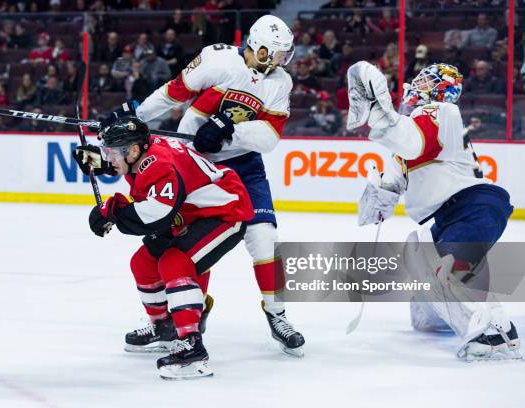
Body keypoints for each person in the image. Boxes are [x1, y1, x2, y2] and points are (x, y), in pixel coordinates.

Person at [104, 15, 306, 357]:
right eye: (275, 53)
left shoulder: (280, 83)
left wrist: (229, 130)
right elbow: (173, 93)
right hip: (198, 163)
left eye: (285, 55)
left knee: (263, 238)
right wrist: (136, 118)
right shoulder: (217, 59)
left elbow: (270, 137)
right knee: (195, 242)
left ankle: (277, 314)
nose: (281, 61)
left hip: (244, 164)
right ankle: (185, 318)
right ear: (256, 47)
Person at [347, 61, 520, 361]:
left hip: (474, 205)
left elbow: (411, 143)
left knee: (446, 268)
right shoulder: (409, 138)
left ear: (441, 90)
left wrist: (377, 108)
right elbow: (382, 199)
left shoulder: (441, 111)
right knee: (417, 252)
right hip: (452, 214)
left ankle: (496, 335)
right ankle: (445, 316)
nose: (415, 87)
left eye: (425, 82)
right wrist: (377, 197)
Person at [72, 116, 253, 379]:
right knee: (143, 264)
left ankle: (193, 348)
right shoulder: (145, 151)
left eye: (113, 152)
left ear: (134, 149)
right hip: (191, 213)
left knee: (174, 262)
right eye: (108, 152)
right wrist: (104, 164)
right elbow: (144, 177)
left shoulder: (159, 163)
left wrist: (112, 210)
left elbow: (156, 214)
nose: (110, 156)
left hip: (224, 213)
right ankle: (164, 326)